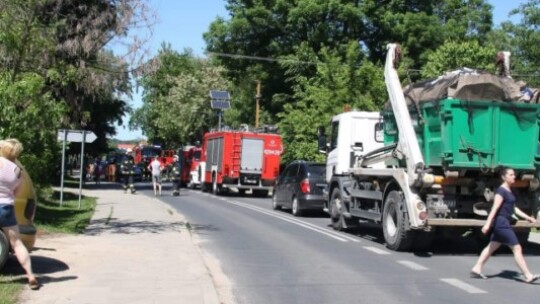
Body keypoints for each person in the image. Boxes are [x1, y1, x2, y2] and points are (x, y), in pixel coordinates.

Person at [471, 167, 539, 283]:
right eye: (511, 175)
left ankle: (477, 268)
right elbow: (494, 209)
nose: (514, 177)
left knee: (491, 247)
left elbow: (514, 209)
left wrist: (528, 218)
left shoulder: (509, 190)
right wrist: (487, 224)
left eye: (514, 175)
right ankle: (528, 275)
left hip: (503, 222)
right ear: (504, 177)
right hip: (502, 223)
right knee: (517, 248)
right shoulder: (501, 191)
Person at [0, 138, 40, 290]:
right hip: (7, 209)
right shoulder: (18, 172)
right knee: (17, 244)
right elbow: (16, 193)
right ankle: (30, 276)